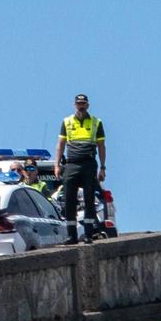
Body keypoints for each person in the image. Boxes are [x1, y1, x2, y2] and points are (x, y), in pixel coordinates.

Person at [54, 95, 106, 242]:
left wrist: (102, 167)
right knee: (69, 199)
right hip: (71, 164)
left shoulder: (96, 122)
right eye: (78, 104)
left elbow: (101, 146)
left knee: (89, 199)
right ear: (74, 105)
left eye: (83, 104)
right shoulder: (67, 121)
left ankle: (89, 234)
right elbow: (60, 144)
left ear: (87, 105)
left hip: (88, 163)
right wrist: (57, 165)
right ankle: (72, 235)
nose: (81, 106)